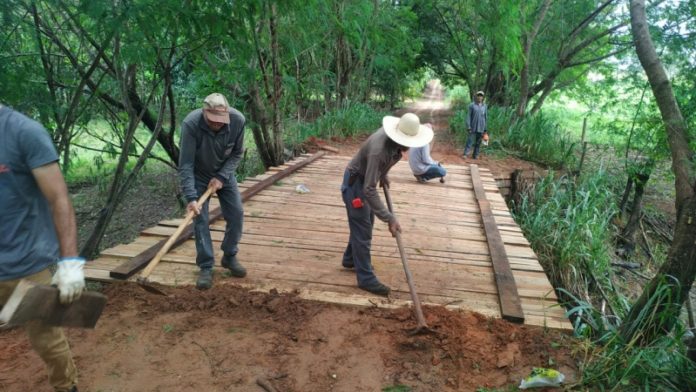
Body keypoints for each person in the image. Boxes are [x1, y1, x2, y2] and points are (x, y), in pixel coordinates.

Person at [0, 104, 84, 392]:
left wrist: (70, 262)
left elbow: (59, 199)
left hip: (24, 266)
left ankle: (66, 386)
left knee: (48, 340)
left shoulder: (23, 132)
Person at [341, 112, 433, 296]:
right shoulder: (379, 150)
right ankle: (365, 278)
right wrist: (390, 218)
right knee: (363, 227)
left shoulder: (393, 142)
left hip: (364, 179)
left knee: (364, 222)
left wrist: (382, 175)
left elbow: (378, 164)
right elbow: (369, 189)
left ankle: (350, 259)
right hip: (356, 186)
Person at [179, 93, 246, 290]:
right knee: (200, 219)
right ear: (204, 113)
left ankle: (229, 255)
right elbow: (186, 164)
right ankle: (206, 266)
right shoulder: (191, 124)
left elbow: (237, 153)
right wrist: (191, 197)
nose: (217, 124)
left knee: (237, 213)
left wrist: (222, 177)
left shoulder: (237, 120)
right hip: (199, 174)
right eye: (212, 120)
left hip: (224, 174)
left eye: (220, 120)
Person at [463, 91, 488, 159]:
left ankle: (475, 155)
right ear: (476, 97)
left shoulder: (484, 106)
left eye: (481, 96)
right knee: (470, 141)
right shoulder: (472, 105)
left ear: (483, 97)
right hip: (473, 127)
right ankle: (466, 154)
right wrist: (468, 126)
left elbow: (485, 117)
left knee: (478, 142)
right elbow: (468, 116)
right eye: (478, 95)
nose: (480, 97)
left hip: (481, 127)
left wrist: (485, 129)